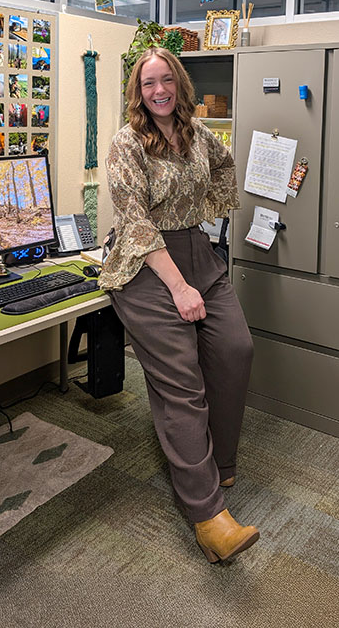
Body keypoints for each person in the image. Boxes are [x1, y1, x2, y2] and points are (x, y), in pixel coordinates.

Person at [100, 47, 259, 563]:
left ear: (180, 85)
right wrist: (179, 286)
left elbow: (225, 165)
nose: (159, 91)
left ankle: (221, 461)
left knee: (236, 348)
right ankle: (208, 516)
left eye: (167, 80)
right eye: (149, 84)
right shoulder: (127, 143)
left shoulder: (197, 134)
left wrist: (207, 212)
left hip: (196, 250)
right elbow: (136, 221)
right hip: (146, 264)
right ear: (137, 92)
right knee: (181, 379)